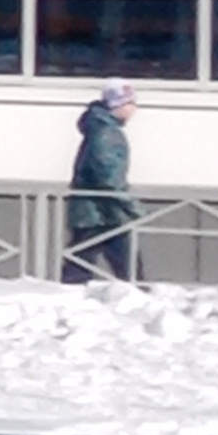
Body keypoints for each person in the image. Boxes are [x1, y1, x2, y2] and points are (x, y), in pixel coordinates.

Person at [67, 80, 140, 285]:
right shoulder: (107, 133)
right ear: (119, 105)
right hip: (103, 209)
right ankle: (138, 292)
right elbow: (108, 175)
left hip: (96, 209)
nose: (134, 109)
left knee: (83, 257)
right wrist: (131, 206)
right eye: (130, 103)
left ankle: (70, 289)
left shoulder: (99, 128)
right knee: (124, 263)